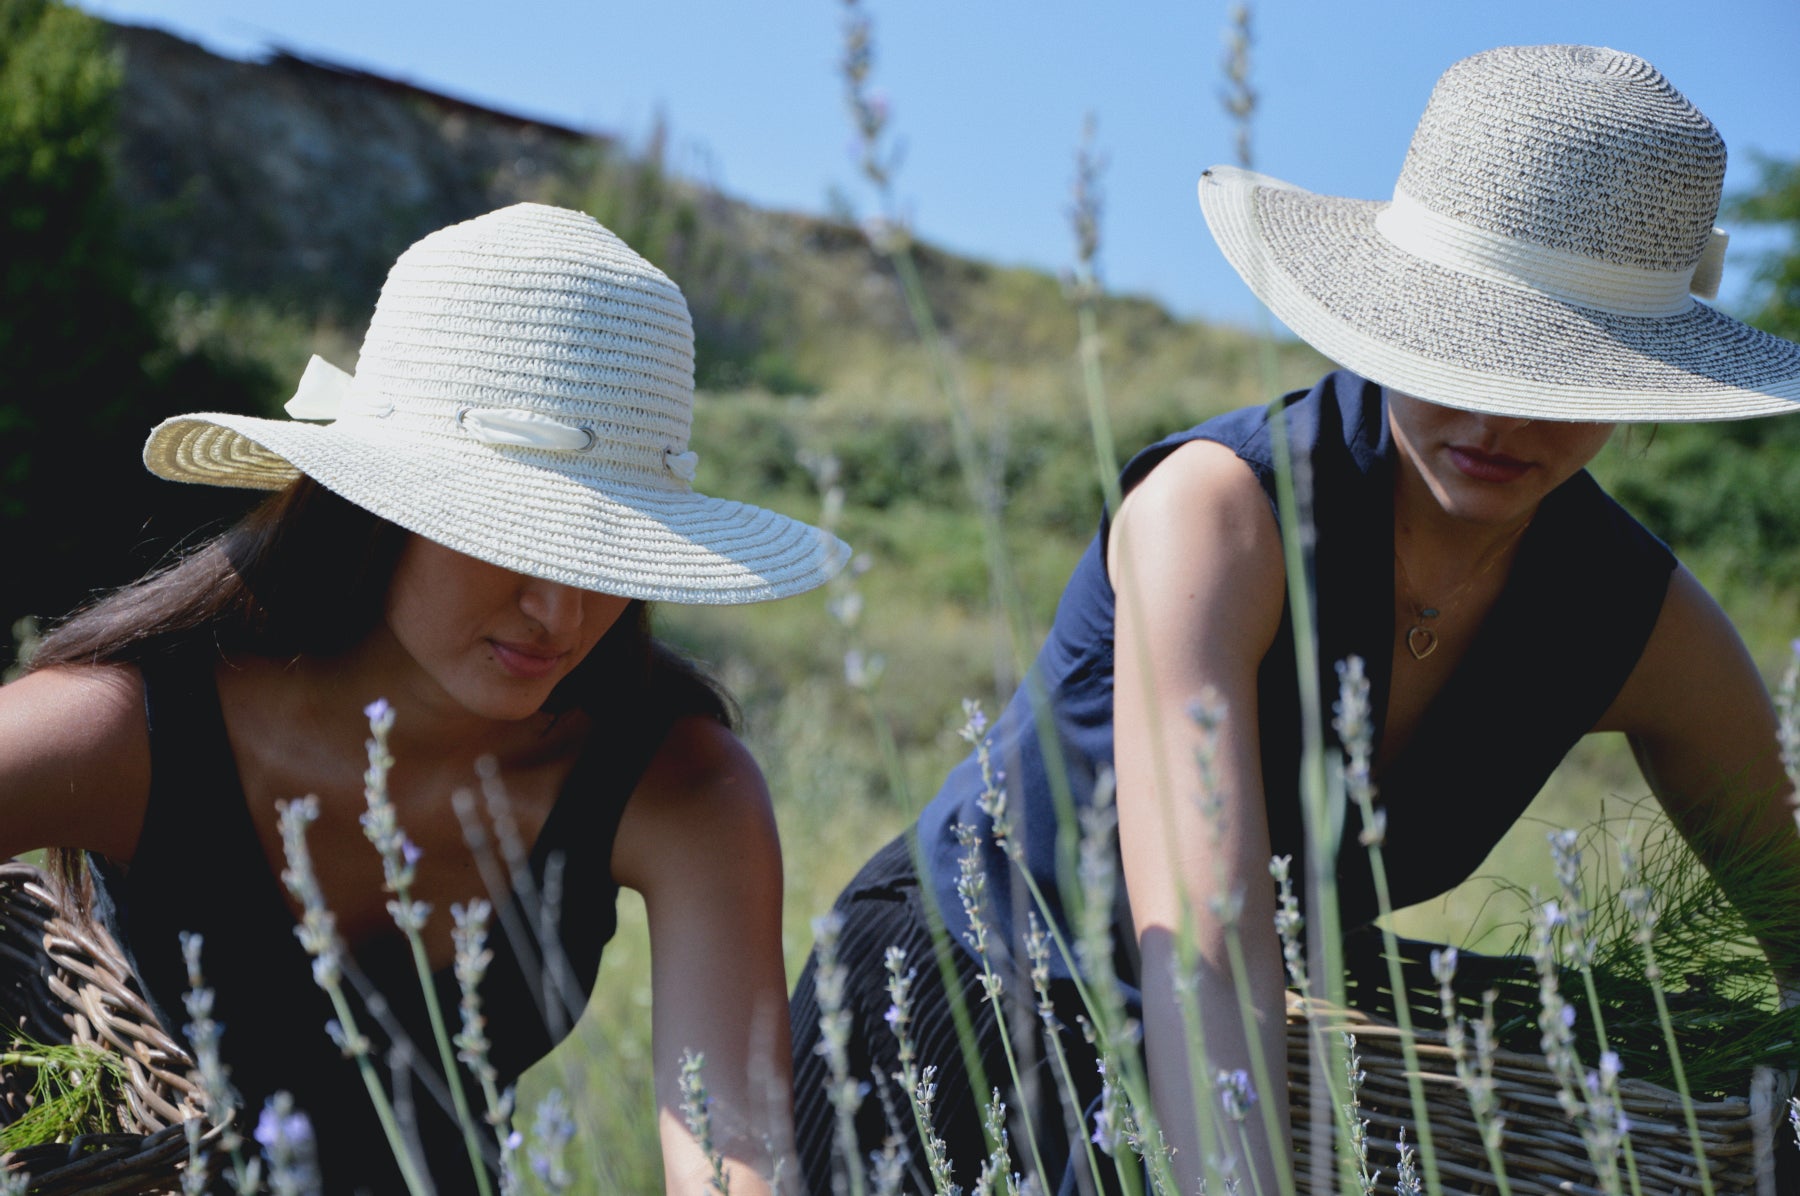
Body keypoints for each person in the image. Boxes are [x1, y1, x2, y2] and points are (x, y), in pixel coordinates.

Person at [790, 44, 1800, 1195]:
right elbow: (1206, 958)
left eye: (1564, 373)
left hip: (1264, 1072)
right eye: (1465, 345)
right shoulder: (1219, 514)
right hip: (962, 1029)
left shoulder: (1634, 612)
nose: (1499, 414)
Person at [0, 203, 848, 1195]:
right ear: (377, 503)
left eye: (606, 546)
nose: (559, 607)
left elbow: (735, 1166)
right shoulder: (121, 728)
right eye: (509, 532)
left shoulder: (682, 787)